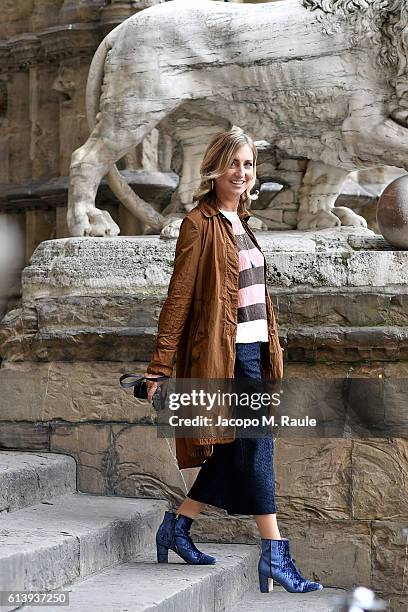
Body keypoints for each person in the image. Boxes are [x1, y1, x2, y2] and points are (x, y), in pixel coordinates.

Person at [143, 127, 323, 594]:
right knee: (257, 445)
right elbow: (178, 300)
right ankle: (275, 554)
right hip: (226, 356)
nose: (241, 173)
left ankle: (177, 528)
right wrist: (159, 368)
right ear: (214, 168)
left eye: (247, 164)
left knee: (235, 447)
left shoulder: (242, 222)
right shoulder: (198, 224)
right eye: (233, 164)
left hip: (257, 353)